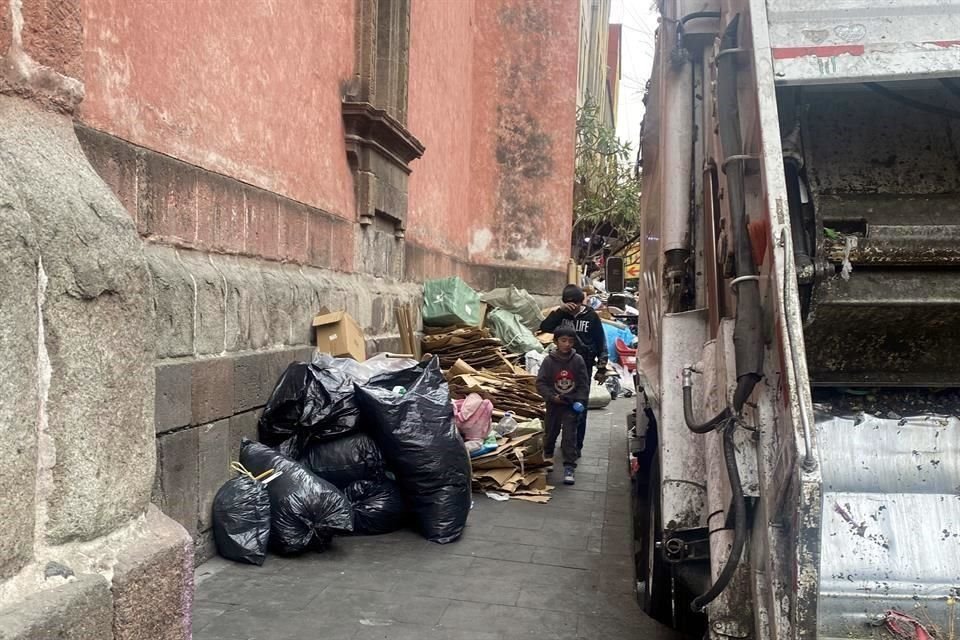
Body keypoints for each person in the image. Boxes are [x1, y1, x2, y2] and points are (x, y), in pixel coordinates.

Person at [539, 284, 608, 456]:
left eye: (575, 304)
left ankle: (576, 447)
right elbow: (545, 327)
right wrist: (560, 311)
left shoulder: (591, 316)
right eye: (568, 304)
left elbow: (600, 341)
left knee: (580, 407)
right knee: (556, 409)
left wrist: (602, 368)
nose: (572, 307)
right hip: (559, 368)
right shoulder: (562, 315)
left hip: (583, 366)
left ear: (581, 302)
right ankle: (552, 444)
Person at [536, 328, 589, 485]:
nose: (567, 344)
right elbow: (541, 382)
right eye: (563, 340)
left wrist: (580, 400)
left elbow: (583, 384)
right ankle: (548, 458)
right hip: (554, 404)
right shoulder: (549, 361)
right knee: (550, 432)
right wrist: (552, 396)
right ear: (556, 341)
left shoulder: (577, 360)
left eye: (570, 341)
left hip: (570, 405)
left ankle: (569, 467)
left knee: (569, 436)